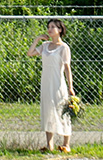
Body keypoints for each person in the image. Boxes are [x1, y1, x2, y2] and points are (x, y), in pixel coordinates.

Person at [28, 18, 75, 153]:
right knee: (48, 111)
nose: (50, 29)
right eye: (49, 27)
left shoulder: (64, 48)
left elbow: (67, 68)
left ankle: (66, 144)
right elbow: (30, 53)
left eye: (53, 27)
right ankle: (50, 145)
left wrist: (70, 86)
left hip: (58, 84)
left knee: (62, 112)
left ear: (60, 30)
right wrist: (37, 40)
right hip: (46, 83)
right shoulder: (45, 46)